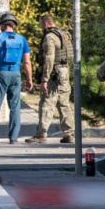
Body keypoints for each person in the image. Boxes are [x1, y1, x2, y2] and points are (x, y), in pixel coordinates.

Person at [0, 11, 33, 144]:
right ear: (14, 25)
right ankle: (13, 138)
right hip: (16, 74)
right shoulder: (22, 39)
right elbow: (27, 62)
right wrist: (29, 80)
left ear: (2, 25)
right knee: (15, 107)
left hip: (0, 74)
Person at [25, 14, 75, 144]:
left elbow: (49, 58)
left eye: (41, 24)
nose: (41, 27)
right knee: (64, 103)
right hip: (64, 71)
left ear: (46, 23)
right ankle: (69, 133)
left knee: (46, 102)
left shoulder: (50, 37)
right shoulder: (64, 35)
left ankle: (41, 133)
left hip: (54, 73)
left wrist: (45, 79)